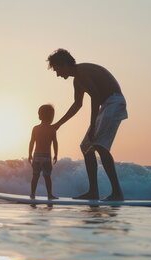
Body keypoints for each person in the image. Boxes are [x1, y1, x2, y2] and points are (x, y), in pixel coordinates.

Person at [47, 49, 128, 201]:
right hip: (107, 106)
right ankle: (93, 191)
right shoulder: (77, 80)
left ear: (64, 64)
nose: (57, 74)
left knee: (99, 145)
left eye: (57, 69)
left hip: (114, 102)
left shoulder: (81, 72)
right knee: (86, 146)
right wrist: (58, 124)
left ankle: (117, 192)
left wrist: (92, 125)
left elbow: (96, 97)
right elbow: (77, 105)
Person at [28, 104, 58, 199]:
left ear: (41, 115)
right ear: (51, 116)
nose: (38, 115)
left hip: (36, 155)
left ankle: (32, 194)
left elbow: (32, 142)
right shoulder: (52, 129)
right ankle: (49, 194)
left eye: (39, 113)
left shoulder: (36, 128)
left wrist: (29, 154)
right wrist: (56, 155)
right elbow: (55, 143)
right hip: (46, 156)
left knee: (35, 176)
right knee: (47, 177)